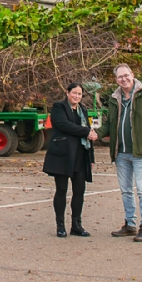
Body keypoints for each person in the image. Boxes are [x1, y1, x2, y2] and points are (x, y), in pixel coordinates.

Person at [96, 64, 142, 242]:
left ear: (133, 75)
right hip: (121, 153)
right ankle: (130, 224)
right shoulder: (114, 98)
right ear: (116, 79)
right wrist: (96, 134)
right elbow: (109, 123)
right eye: (120, 77)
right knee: (126, 190)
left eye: (126, 76)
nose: (123, 79)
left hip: (141, 152)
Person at [42, 82, 97, 237]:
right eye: (74, 93)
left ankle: (76, 225)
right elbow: (64, 125)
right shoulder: (59, 107)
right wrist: (86, 132)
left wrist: (91, 157)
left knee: (79, 191)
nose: (77, 96)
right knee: (61, 190)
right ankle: (60, 225)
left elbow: (89, 135)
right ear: (67, 93)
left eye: (79, 94)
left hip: (80, 156)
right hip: (62, 155)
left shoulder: (83, 110)